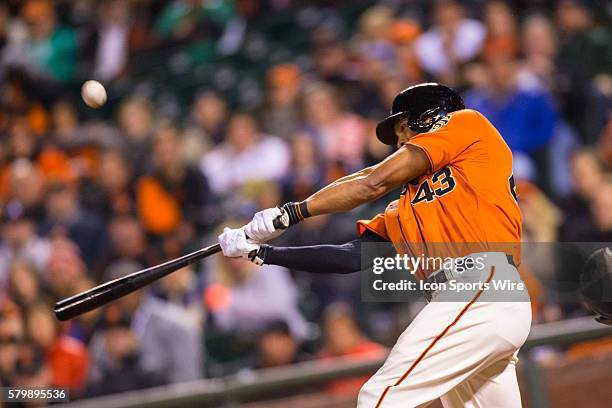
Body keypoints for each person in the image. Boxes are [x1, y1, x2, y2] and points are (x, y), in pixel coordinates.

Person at [218, 83, 531, 407]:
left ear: (429, 118)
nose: (398, 143)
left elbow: (372, 181)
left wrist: (290, 214)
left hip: (481, 285)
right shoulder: (406, 207)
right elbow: (349, 257)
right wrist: (263, 253)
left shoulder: (468, 123)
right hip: (475, 303)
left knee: (379, 399)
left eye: (401, 129)